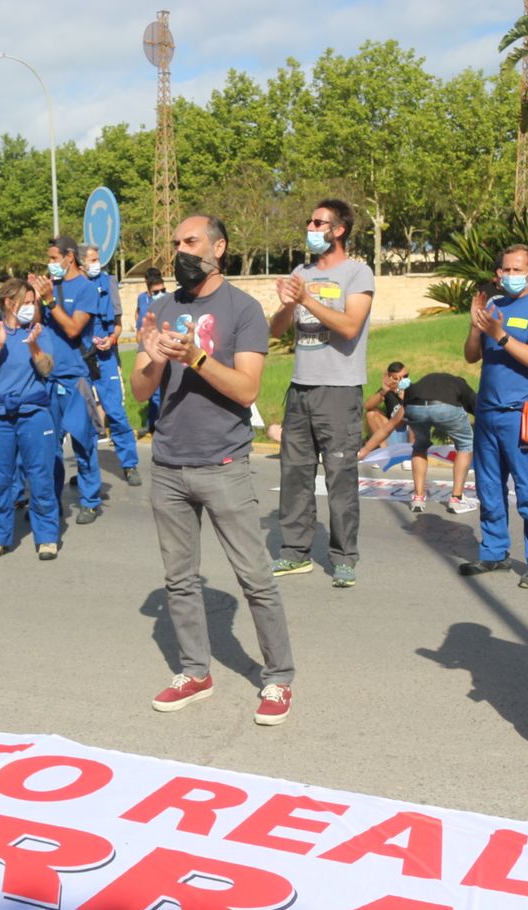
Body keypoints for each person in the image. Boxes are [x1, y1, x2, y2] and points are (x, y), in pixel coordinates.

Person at [131, 213, 295, 726]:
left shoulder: (242, 309)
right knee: (180, 579)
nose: (179, 249)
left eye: (191, 241)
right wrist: (154, 358)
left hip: (223, 464)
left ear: (218, 248)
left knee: (255, 578)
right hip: (169, 463)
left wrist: (198, 358)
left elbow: (248, 390)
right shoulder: (161, 306)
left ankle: (278, 677)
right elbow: (139, 391)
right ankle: (195, 671)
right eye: (176, 242)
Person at [269, 198, 376, 589]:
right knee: (294, 474)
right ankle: (294, 553)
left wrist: (306, 299)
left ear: (339, 230)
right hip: (301, 388)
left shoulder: (358, 273)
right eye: (310, 222)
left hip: (340, 390)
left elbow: (349, 326)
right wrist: (285, 305)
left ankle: (344, 557)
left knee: (340, 478)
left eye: (319, 223)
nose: (311, 228)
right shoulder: (301, 271)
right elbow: (278, 330)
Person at [461, 245, 528, 589]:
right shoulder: (493, 305)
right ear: (498, 273)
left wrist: (499, 334)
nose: (511, 276)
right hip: (487, 411)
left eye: (518, 269)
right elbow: (472, 356)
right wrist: (476, 327)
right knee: (488, 486)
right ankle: (494, 550)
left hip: (520, 414)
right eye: (505, 270)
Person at [0, 277, 61, 560]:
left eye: (33, 302)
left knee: (40, 476)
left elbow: (47, 368)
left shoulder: (40, 331)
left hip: (34, 414)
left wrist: (34, 347)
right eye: (26, 302)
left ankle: (46, 536)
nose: (31, 307)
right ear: (9, 303)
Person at [33, 236, 104, 523]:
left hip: (75, 378)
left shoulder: (86, 288)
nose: (50, 264)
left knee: (83, 441)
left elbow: (74, 329)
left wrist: (50, 301)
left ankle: (90, 500)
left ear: (69, 257)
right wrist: (38, 299)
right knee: (49, 446)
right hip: (48, 378)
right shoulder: (50, 287)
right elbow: (35, 324)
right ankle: (50, 501)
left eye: (53, 258)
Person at [357, 363, 477, 514]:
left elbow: (388, 427)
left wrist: (363, 452)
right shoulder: (462, 387)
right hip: (444, 408)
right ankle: (457, 499)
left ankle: (418, 498)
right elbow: (485, 416)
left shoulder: (424, 384)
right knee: (465, 444)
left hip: (415, 406)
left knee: (420, 446)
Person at [81, 243, 142, 485]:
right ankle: (87, 471)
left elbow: (117, 322)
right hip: (81, 358)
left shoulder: (108, 282)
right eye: (92, 260)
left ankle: (129, 464)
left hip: (106, 356)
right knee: (83, 417)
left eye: (98, 260)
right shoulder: (70, 287)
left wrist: (112, 338)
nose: (96, 265)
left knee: (115, 411)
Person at [136, 267, 167, 436]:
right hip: (147, 348)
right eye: (156, 292)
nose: (161, 294)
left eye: (163, 290)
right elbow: (138, 315)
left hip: (163, 347)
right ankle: (152, 424)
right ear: (148, 290)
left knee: (163, 388)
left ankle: (162, 424)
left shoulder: (170, 300)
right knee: (151, 387)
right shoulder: (142, 299)